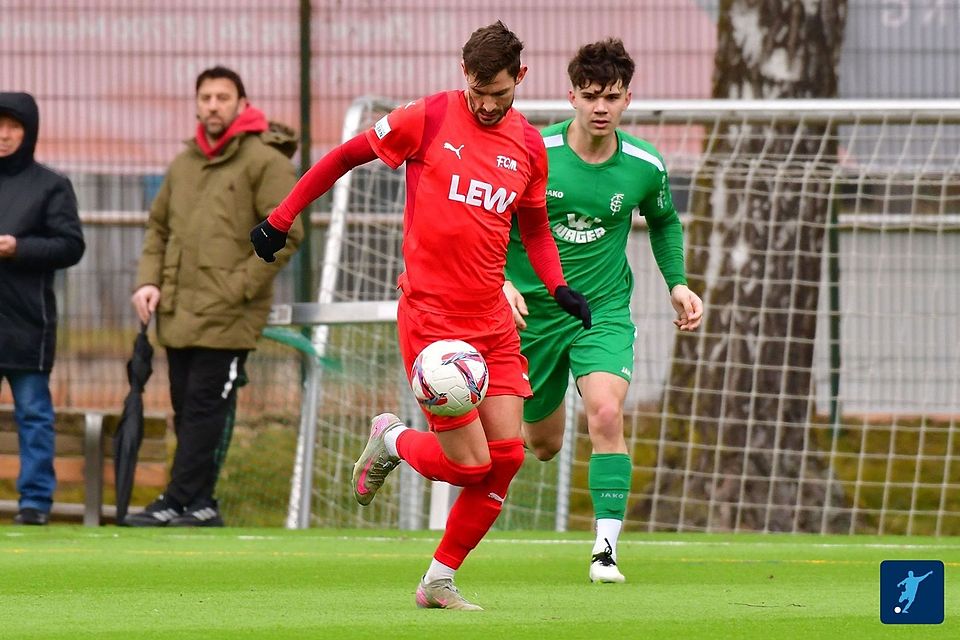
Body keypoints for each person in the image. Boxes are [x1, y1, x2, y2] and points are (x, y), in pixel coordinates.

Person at [250, 22, 590, 610]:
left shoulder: (530, 146)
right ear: (465, 75)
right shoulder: (426, 118)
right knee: (468, 466)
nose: (487, 105)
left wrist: (559, 287)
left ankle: (438, 579)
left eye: (501, 94)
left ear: (522, 80)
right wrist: (281, 218)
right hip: (432, 323)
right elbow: (342, 157)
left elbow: (532, 224)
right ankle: (393, 440)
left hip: (492, 321)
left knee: (507, 459)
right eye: (479, 90)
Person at [502, 39, 704, 583]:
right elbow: (492, 217)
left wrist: (678, 284)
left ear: (627, 99)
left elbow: (664, 222)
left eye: (611, 97)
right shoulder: (533, 152)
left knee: (608, 414)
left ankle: (605, 551)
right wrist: (500, 281)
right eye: (590, 95)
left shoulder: (644, 165)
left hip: (602, 311)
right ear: (570, 95)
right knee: (541, 447)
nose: (600, 107)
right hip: (534, 316)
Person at [125, 66, 303, 527]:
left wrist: (238, 287)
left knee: (205, 410)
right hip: (178, 312)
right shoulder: (184, 164)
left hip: (229, 316)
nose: (213, 105)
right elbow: (158, 228)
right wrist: (148, 281)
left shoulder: (266, 161)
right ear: (196, 103)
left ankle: (175, 500)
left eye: (223, 97)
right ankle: (200, 504)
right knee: (187, 410)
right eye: (205, 97)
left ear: (242, 104)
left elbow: (287, 232)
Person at [0, 92, 86, 526]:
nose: (3, 134)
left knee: (33, 413)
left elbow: (71, 245)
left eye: (13, 126)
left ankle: (35, 501)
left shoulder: (51, 185)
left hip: (27, 323)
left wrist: (18, 247)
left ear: (29, 130)